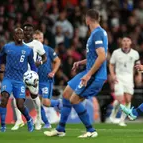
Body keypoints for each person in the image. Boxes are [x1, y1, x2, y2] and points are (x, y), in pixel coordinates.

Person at [44, 9, 108, 138]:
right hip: (88, 70)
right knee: (67, 93)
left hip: (95, 75)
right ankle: (60, 129)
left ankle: (91, 130)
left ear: (87, 19)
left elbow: (102, 56)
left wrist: (89, 74)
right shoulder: (98, 33)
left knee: (74, 99)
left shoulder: (97, 33)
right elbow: (96, 56)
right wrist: (82, 62)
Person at [0, 28, 36, 132]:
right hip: (8, 78)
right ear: (13, 36)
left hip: (20, 81)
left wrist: (35, 75)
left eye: (21, 33)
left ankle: (29, 120)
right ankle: (3, 126)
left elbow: (32, 65)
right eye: (17, 33)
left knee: (20, 105)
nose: (19, 35)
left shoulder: (28, 50)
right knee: (4, 99)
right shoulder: (7, 47)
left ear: (23, 36)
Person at [11, 23, 47, 131]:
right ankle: (19, 120)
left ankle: (39, 119)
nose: (27, 33)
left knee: (34, 96)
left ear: (32, 32)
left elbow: (44, 57)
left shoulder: (37, 44)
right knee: (16, 96)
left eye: (29, 31)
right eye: (25, 31)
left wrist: (38, 63)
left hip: (32, 74)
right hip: (19, 74)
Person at [109, 37, 142, 126]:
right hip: (118, 78)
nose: (126, 43)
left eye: (128, 41)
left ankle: (122, 120)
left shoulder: (135, 53)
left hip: (129, 79)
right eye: (124, 41)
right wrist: (112, 75)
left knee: (128, 100)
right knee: (120, 99)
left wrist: (139, 75)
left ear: (131, 42)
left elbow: (138, 65)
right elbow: (111, 64)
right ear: (121, 42)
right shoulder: (116, 53)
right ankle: (113, 115)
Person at [33, 30, 61, 129]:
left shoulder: (48, 49)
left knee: (46, 102)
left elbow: (57, 61)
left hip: (46, 80)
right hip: (35, 81)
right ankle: (47, 123)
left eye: (39, 38)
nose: (37, 40)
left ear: (43, 39)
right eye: (35, 39)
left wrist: (53, 72)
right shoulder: (30, 51)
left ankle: (59, 103)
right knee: (37, 103)